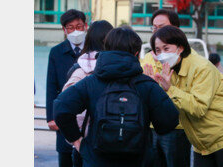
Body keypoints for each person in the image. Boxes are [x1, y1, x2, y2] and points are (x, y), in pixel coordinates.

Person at [53, 27, 179, 167]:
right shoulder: (147, 85)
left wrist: (78, 142)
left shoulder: (91, 82)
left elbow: (61, 107)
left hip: (97, 159)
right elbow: (169, 122)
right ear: (136, 53)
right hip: (138, 159)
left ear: (106, 49)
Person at [143, 26, 223, 167]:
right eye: (158, 50)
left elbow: (198, 107)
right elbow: (170, 106)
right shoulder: (169, 71)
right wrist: (154, 88)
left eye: (166, 48)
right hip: (201, 141)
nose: (162, 54)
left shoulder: (201, 67)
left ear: (180, 48)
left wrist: (169, 89)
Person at [141, 9, 193, 167]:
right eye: (154, 28)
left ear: (175, 29)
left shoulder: (187, 58)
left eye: (162, 27)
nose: (157, 31)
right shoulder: (148, 58)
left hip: (177, 128)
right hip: (150, 128)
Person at [62, 20, 113, 167]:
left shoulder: (80, 67)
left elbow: (63, 108)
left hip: (85, 139)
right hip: (110, 138)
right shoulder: (115, 67)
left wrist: (75, 139)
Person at [46, 9, 88, 167]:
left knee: (87, 156)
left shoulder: (93, 50)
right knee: (65, 156)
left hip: (87, 115)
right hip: (64, 114)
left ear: (86, 26)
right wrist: (51, 116)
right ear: (64, 30)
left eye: (79, 26)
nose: (75, 31)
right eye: (70, 27)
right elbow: (51, 85)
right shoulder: (56, 52)